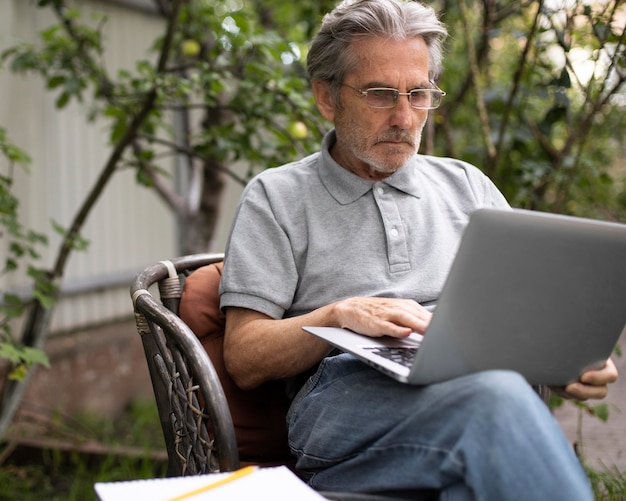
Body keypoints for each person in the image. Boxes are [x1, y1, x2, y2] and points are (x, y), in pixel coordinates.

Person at [218, 0, 618, 498]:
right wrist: (339, 315)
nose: (405, 117)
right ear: (327, 97)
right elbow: (243, 355)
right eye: (381, 94)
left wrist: (565, 362)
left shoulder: (468, 185)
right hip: (345, 396)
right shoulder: (276, 196)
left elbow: (521, 316)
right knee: (495, 399)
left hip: (470, 388)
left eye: (419, 93)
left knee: (476, 462)